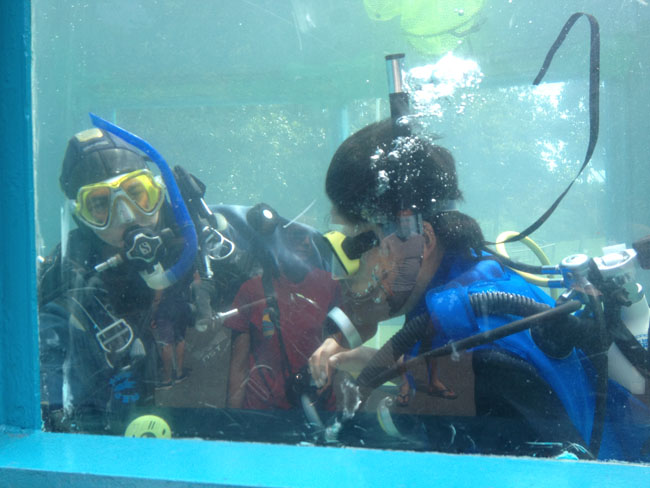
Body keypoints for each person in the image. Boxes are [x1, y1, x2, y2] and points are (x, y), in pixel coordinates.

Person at [309, 118, 650, 460]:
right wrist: (382, 362)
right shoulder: (471, 277)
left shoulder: (483, 354)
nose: (341, 275)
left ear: (421, 240)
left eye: (353, 249)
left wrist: (385, 402)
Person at [39, 127, 195, 433]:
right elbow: (46, 358)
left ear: (159, 191)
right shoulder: (70, 294)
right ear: (81, 217)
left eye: (137, 193)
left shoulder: (209, 243)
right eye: (100, 204)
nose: (127, 216)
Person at [226, 217, 339, 410]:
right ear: (280, 239)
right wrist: (233, 419)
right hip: (262, 410)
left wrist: (330, 369)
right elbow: (238, 364)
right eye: (298, 235)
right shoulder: (251, 290)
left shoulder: (331, 285)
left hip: (316, 405)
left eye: (310, 237)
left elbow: (341, 339)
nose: (306, 243)